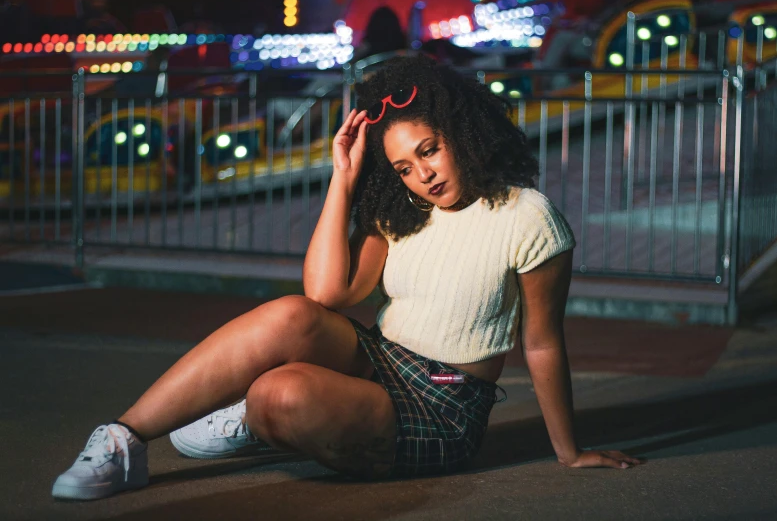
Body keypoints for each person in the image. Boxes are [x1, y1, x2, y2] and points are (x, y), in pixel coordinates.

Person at [52, 54, 641, 501]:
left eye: (430, 150)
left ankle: (260, 419)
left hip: (446, 405)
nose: (424, 176)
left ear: (462, 133)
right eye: (404, 168)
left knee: (278, 392)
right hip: (382, 359)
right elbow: (327, 295)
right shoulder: (405, 211)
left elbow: (541, 342)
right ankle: (123, 440)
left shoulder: (529, 217)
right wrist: (345, 177)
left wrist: (570, 453)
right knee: (290, 314)